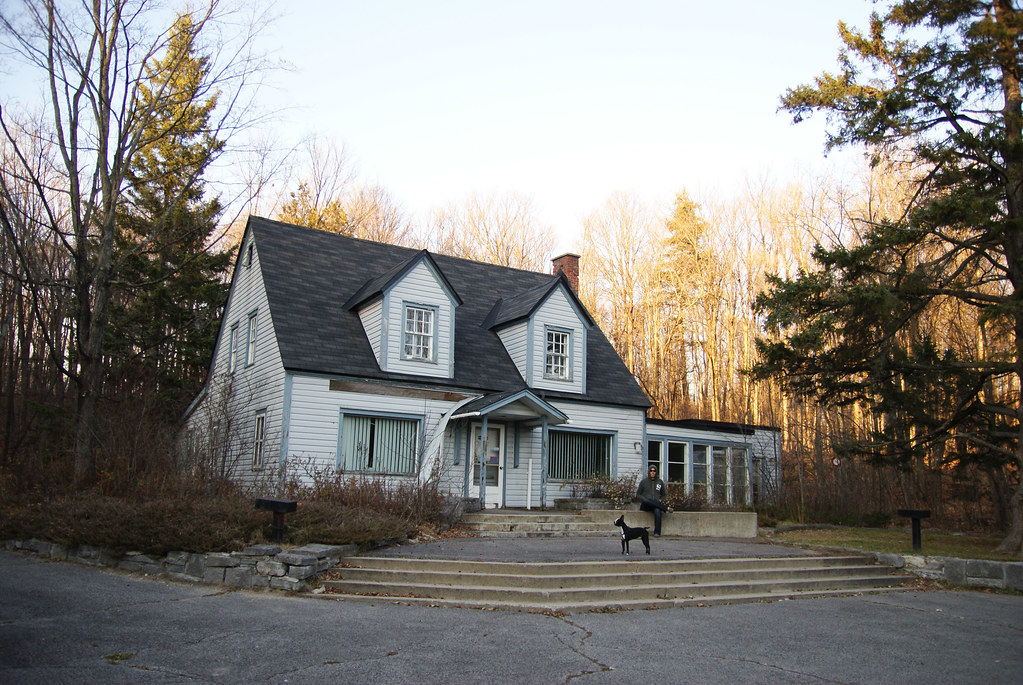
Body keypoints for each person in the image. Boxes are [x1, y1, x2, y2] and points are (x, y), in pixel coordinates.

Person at [636, 464, 671, 536]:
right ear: (649, 472)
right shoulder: (644, 482)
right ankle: (665, 508)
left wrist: (660, 500)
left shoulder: (659, 482)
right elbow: (638, 494)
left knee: (657, 510)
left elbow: (664, 495)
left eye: (654, 471)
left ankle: (657, 532)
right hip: (645, 505)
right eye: (651, 471)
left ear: (656, 472)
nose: (652, 472)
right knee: (646, 500)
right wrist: (643, 499)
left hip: (655, 504)